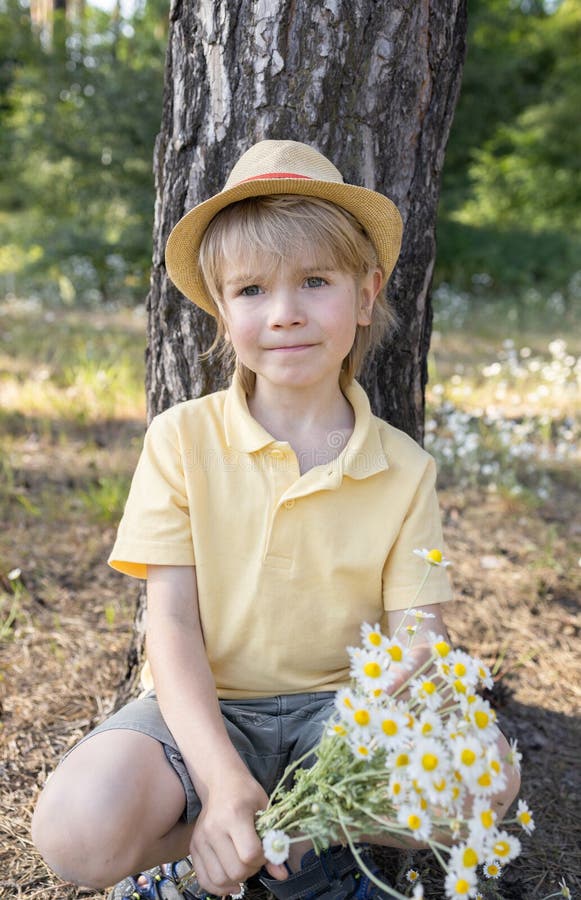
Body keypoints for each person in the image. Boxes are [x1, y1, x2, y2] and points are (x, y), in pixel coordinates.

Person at [31, 140, 520, 900]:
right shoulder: (181, 440)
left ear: (364, 296)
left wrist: (352, 756)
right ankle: (214, 849)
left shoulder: (403, 467)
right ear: (222, 313)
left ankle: (294, 837)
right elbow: (172, 627)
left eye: (315, 282)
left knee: (489, 779)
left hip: (347, 715)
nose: (285, 313)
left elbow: (417, 637)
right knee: (74, 827)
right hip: (205, 711)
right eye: (252, 290)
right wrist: (223, 780)